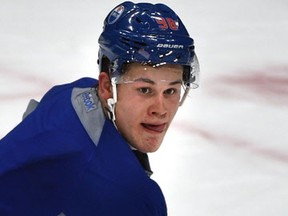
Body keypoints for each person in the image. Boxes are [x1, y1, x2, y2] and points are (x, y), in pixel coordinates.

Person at [0, 1, 199, 215]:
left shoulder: (72, 93)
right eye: (144, 90)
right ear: (107, 87)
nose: (161, 110)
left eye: (170, 91)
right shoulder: (131, 198)